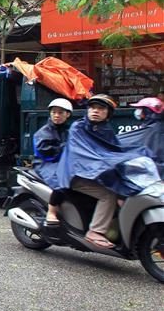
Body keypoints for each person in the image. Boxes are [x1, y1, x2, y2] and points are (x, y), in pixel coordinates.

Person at [52, 94, 154, 249]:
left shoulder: (106, 130)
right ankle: (95, 231)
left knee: (127, 191)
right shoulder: (78, 128)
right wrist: (108, 162)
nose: (95, 111)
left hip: (97, 173)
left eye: (100, 109)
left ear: (108, 113)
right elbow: (85, 155)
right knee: (109, 195)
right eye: (92, 108)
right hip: (76, 173)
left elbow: (115, 150)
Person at [32, 98, 73, 224]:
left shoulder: (69, 130)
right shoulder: (43, 132)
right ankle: (52, 212)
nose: (56, 115)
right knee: (61, 181)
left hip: (65, 161)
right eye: (54, 112)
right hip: (46, 163)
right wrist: (65, 148)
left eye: (60, 112)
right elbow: (45, 152)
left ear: (68, 114)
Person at [123, 96, 164, 175]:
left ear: (147, 111)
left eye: (140, 109)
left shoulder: (154, 130)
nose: (137, 112)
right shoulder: (154, 127)